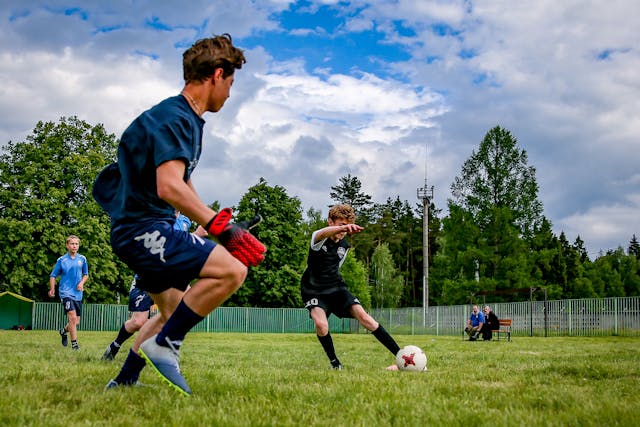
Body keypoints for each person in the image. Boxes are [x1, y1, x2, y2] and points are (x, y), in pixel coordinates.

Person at [93, 34, 266, 395]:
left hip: (140, 230)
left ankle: (124, 380)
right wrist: (219, 227)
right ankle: (166, 344)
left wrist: (217, 225)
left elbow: (182, 187)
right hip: (144, 230)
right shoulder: (177, 118)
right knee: (232, 271)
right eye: (231, 83)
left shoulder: (178, 117)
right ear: (217, 74)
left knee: (171, 312)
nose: (231, 94)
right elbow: (169, 188)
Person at [301, 204, 401, 371]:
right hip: (314, 289)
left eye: (346, 228)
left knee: (366, 318)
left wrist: (345, 229)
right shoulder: (318, 238)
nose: (343, 231)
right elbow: (322, 233)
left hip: (336, 287)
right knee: (321, 324)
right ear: (330, 222)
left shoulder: (344, 247)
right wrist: (345, 227)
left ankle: (402, 358)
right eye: (341, 226)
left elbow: (336, 267)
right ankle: (335, 364)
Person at [101, 212, 207, 361]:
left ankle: (157, 351)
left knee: (186, 305)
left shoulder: (185, 220)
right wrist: (195, 235)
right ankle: (115, 345)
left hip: (169, 279)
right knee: (138, 322)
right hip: (146, 277)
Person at [48, 235, 89, 350]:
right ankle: (75, 345)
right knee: (72, 317)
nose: (74, 246)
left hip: (78, 293)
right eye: (72, 244)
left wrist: (81, 283)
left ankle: (63, 331)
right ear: (67, 245)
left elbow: (86, 274)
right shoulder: (62, 260)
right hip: (65, 292)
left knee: (76, 322)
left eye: (76, 244)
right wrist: (52, 289)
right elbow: (53, 275)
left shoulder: (82, 259)